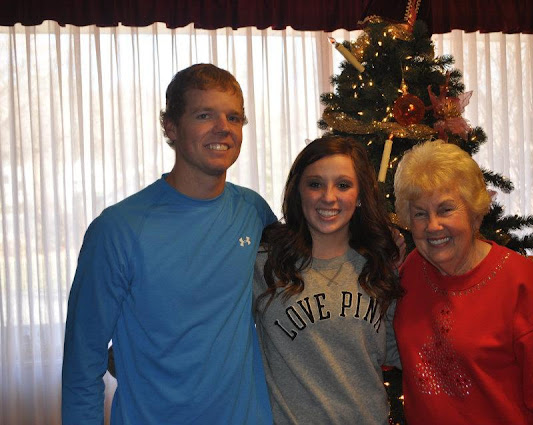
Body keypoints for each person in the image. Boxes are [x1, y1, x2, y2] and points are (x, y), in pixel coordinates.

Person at [62, 64, 276, 425]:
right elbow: (83, 364)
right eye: (204, 115)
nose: (223, 127)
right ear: (171, 127)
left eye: (234, 117)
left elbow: (306, 273)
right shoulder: (118, 229)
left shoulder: (253, 211)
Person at [392, 140, 533, 424]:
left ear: (474, 213)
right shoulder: (411, 271)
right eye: (420, 213)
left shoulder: (522, 283)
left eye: (446, 209)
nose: (433, 225)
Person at [253, 136, 404, 424]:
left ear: (360, 196)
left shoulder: (379, 265)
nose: (328, 197)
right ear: (298, 191)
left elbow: (396, 349)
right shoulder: (265, 264)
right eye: (315, 184)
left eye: (343, 185)